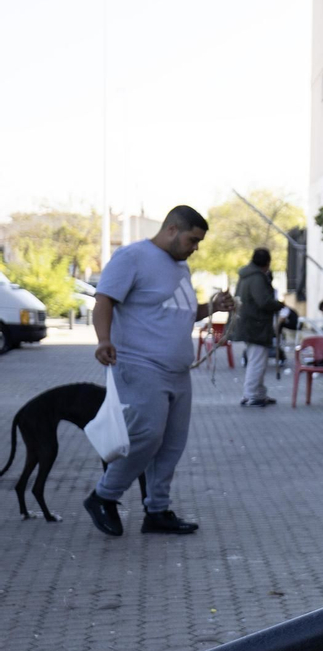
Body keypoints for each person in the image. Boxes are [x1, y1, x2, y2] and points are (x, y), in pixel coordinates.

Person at [84, 205, 234, 537]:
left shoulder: (181, 267)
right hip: (140, 364)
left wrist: (214, 307)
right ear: (172, 230)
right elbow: (104, 301)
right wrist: (103, 340)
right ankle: (103, 496)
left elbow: (181, 311)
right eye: (193, 240)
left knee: (172, 444)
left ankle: (157, 511)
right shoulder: (131, 257)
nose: (196, 248)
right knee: (147, 436)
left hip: (177, 371)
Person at [230, 248, 278, 408]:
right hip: (256, 325)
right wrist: (278, 305)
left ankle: (258, 393)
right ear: (267, 263)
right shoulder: (257, 278)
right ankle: (252, 394)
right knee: (257, 361)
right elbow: (263, 301)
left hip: (249, 323)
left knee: (256, 360)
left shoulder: (247, 276)